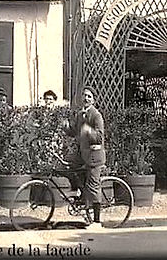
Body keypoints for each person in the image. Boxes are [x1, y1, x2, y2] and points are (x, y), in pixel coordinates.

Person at [63, 85, 105, 230]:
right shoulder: (81, 114)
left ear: (93, 100)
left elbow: (99, 136)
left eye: (89, 96)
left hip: (94, 157)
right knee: (68, 167)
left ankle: (97, 222)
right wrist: (66, 127)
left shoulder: (96, 115)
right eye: (84, 95)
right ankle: (82, 197)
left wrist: (89, 130)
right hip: (83, 155)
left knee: (94, 186)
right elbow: (75, 132)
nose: (86, 98)